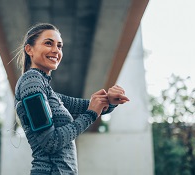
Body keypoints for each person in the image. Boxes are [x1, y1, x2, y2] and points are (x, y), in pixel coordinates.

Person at [14, 23, 129, 175]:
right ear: (29, 49)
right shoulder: (31, 81)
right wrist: (90, 115)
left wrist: (109, 100)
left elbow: (89, 106)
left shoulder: (49, 93)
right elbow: (50, 142)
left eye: (60, 46)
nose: (56, 50)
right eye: (48, 43)